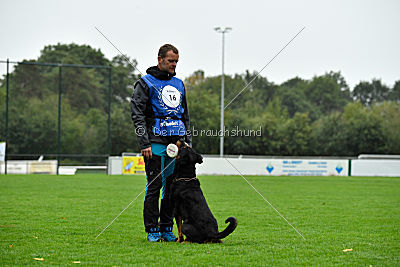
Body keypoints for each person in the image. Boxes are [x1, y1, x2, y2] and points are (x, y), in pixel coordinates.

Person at [130, 44, 191, 242]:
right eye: (170, 61)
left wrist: (187, 141)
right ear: (160, 60)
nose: (174, 65)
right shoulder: (145, 83)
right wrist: (143, 143)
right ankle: (152, 230)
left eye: (176, 62)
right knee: (154, 186)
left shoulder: (179, 84)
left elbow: (185, 116)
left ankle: (166, 227)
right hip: (154, 141)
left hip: (175, 144)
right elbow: (137, 114)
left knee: (171, 187)